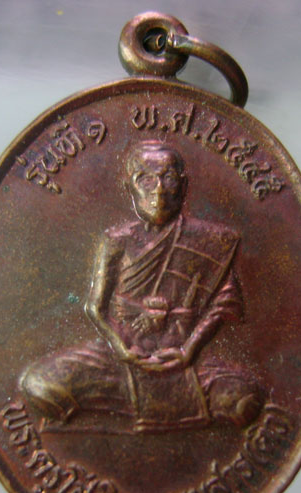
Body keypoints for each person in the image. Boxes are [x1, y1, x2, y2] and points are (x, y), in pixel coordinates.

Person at [20, 141, 263, 431]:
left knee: (244, 397)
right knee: (40, 384)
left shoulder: (209, 242)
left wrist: (188, 350)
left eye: (168, 178)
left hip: (182, 358)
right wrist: (120, 347)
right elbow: (95, 308)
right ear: (130, 187)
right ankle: (151, 400)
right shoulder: (116, 240)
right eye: (145, 179)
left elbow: (223, 305)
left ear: (183, 186)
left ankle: (123, 406)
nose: (158, 190)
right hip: (121, 356)